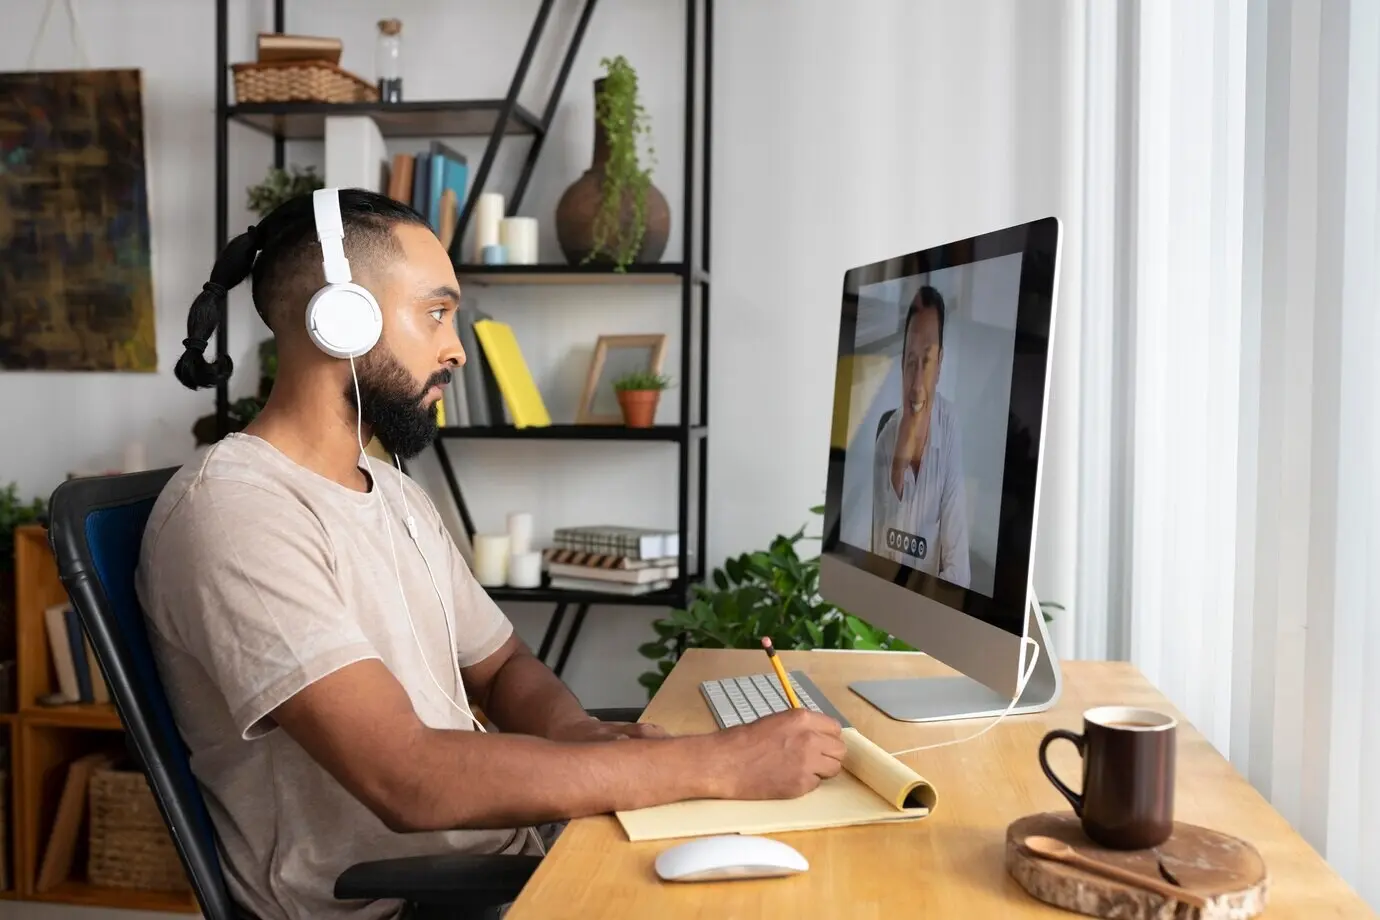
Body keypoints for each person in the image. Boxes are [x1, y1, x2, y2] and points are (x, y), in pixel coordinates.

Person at [135, 189, 846, 920]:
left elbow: (502, 666)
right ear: (340, 319)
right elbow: (407, 778)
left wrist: (575, 732)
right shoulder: (237, 512)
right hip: (408, 904)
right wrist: (717, 765)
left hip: (503, 866)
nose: (456, 348)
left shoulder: (391, 490)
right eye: (436, 312)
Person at [870, 284, 971, 586]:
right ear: (901, 366)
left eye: (926, 361)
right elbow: (878, 573)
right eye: (911, 362)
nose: (916, 385)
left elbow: (959, 571)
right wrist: (898, 470)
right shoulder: (884, 444)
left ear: (939, 365)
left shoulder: (950, 425)